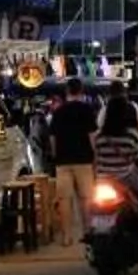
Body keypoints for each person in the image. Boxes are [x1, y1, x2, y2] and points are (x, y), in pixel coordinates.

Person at [92, 92, 138, 233]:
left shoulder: (99, 135)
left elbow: (95, 156)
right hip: (126, 178)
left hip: (102, 179)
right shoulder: (131, 134)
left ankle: (90, 230)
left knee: (90, 204)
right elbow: (136, 156)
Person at [46, 85, 98, 254]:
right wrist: (96, 156)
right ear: (81, 93)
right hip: (83, 160)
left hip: (63, 162)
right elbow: (92, 136)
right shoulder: (87, 110)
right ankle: (88, 232)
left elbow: (52, 138)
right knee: (86, 198)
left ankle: (67, 236)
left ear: (67, 93)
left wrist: (55, 156)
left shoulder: (58, 113)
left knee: (64, 200)